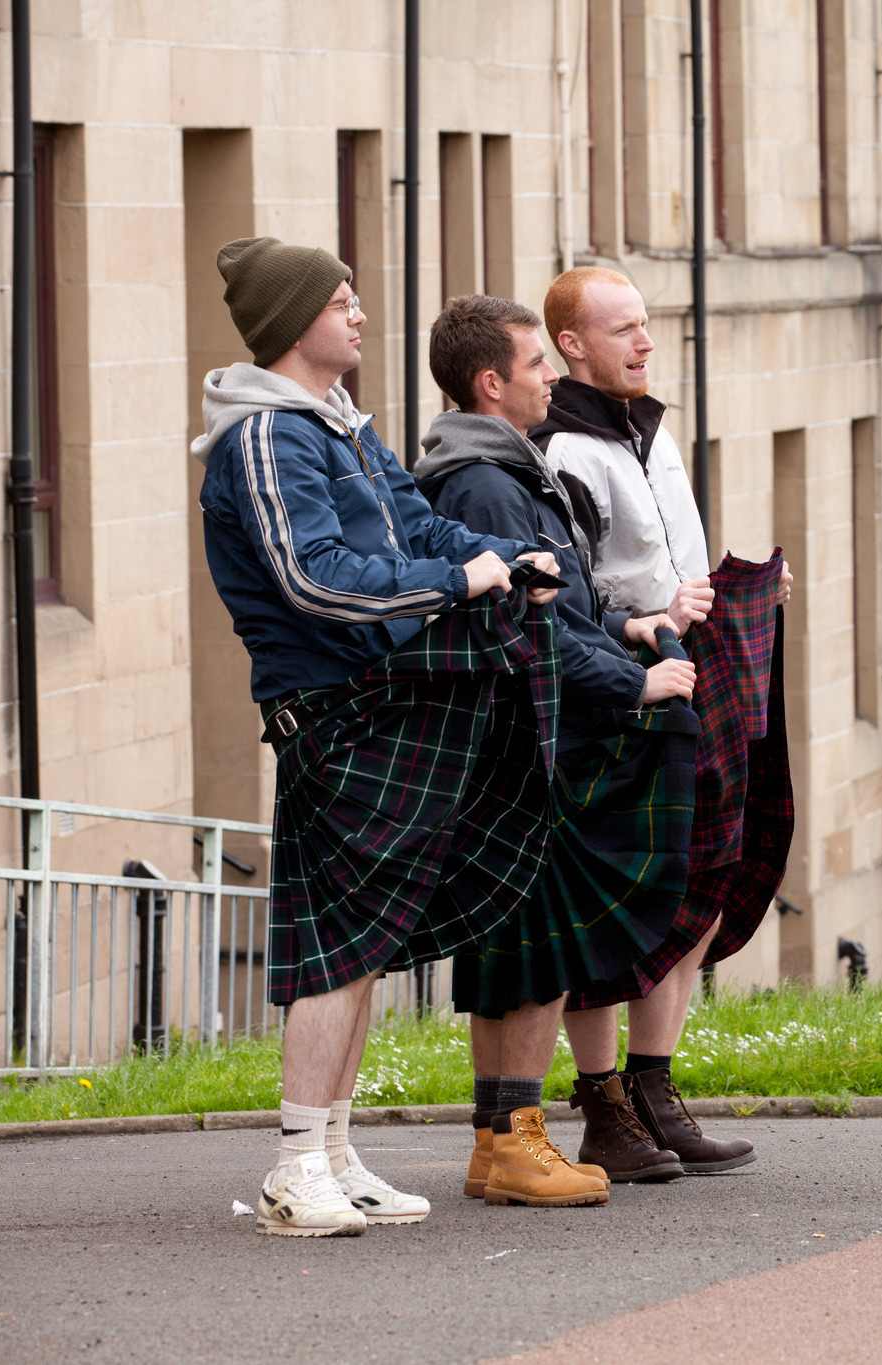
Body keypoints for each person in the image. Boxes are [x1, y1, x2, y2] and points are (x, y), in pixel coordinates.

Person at [191, 238, 564, 1236]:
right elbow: (311, 577)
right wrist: (458, 583)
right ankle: (293, 1165)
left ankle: (334, 1154)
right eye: (339, 300)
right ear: (290, 322)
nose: (358, 314)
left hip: (376, 697)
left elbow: (415, 525)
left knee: (360, 946)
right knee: (335, 950)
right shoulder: (268, 437)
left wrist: (502, 556)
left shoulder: (341, 426)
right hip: (329, 708)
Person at [414, 294, 708, 1203]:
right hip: (527, 738)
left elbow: (562, 608)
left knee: (515, 949)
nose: (553, 376)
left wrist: (625, 627)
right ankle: (517, 1138)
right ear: (490, 383)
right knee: (535, 950)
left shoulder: (496, 465)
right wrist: (633, 678)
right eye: (537, 364)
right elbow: (524, 624)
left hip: (522, 729)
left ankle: (500, 1140)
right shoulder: (489, 481)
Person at [531, 266, 790, 1174]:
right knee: (618, 903)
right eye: (624, 330)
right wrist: (656, 612)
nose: (645, 343)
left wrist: (740, 587)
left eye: (645, 325)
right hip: (619, 680)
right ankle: (605, 1106)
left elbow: (670, 551)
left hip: (689, 670)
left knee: (702, 884)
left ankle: (653, 1086)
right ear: (572, 344)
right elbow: (571, 590)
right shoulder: (564, 452)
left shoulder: (650, 426)